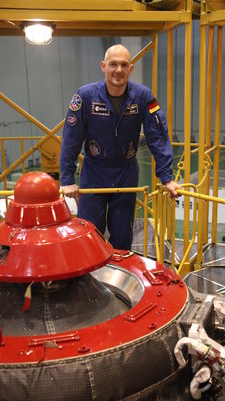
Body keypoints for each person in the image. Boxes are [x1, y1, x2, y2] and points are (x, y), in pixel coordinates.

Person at [60, 44, 180, 250]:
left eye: (124, 65)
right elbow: (71, 139)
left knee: (123, 233)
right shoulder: (85, 97)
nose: (118, 70)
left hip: (126, 174)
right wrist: (67, 179)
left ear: (131, 68)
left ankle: (119, 276)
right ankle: (90, 278)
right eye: (113, 64)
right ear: (103, 66)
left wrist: (167, 177)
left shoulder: (143, 97)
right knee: (89, 232)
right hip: (94, 174)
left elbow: (157, 136)